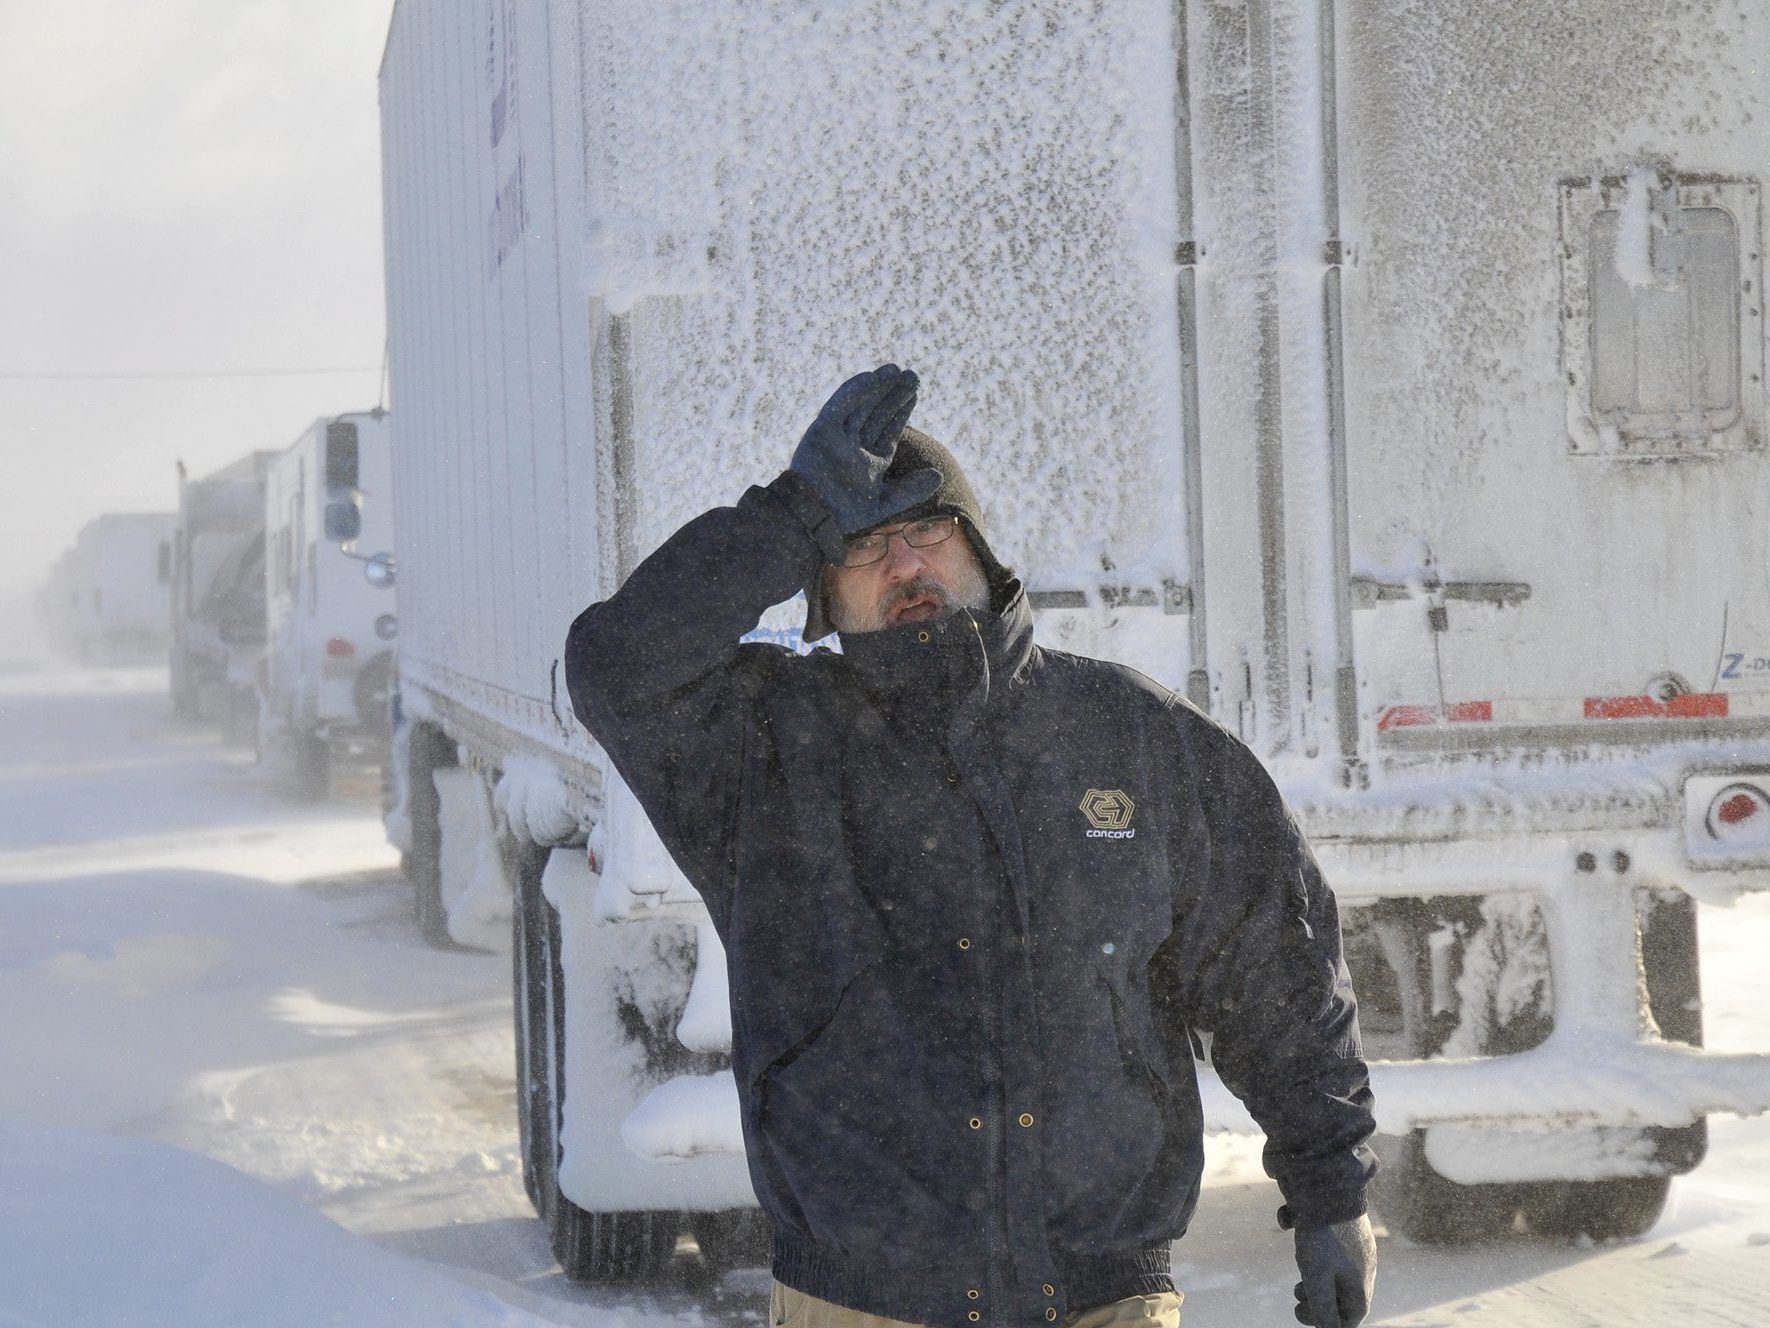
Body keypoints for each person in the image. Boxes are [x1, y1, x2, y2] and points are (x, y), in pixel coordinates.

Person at [565, 366, 1378, 1328]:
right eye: (863, 545)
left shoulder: (1132, 735)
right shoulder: (767, 750)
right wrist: (789, 517)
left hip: (1105, 1299)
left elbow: (1274, 968)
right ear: (822, 589)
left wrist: (1333, 1193)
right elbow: (615, 666)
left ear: (981, 550)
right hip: (861, 1304)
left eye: (927, 529)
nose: (905, 565)